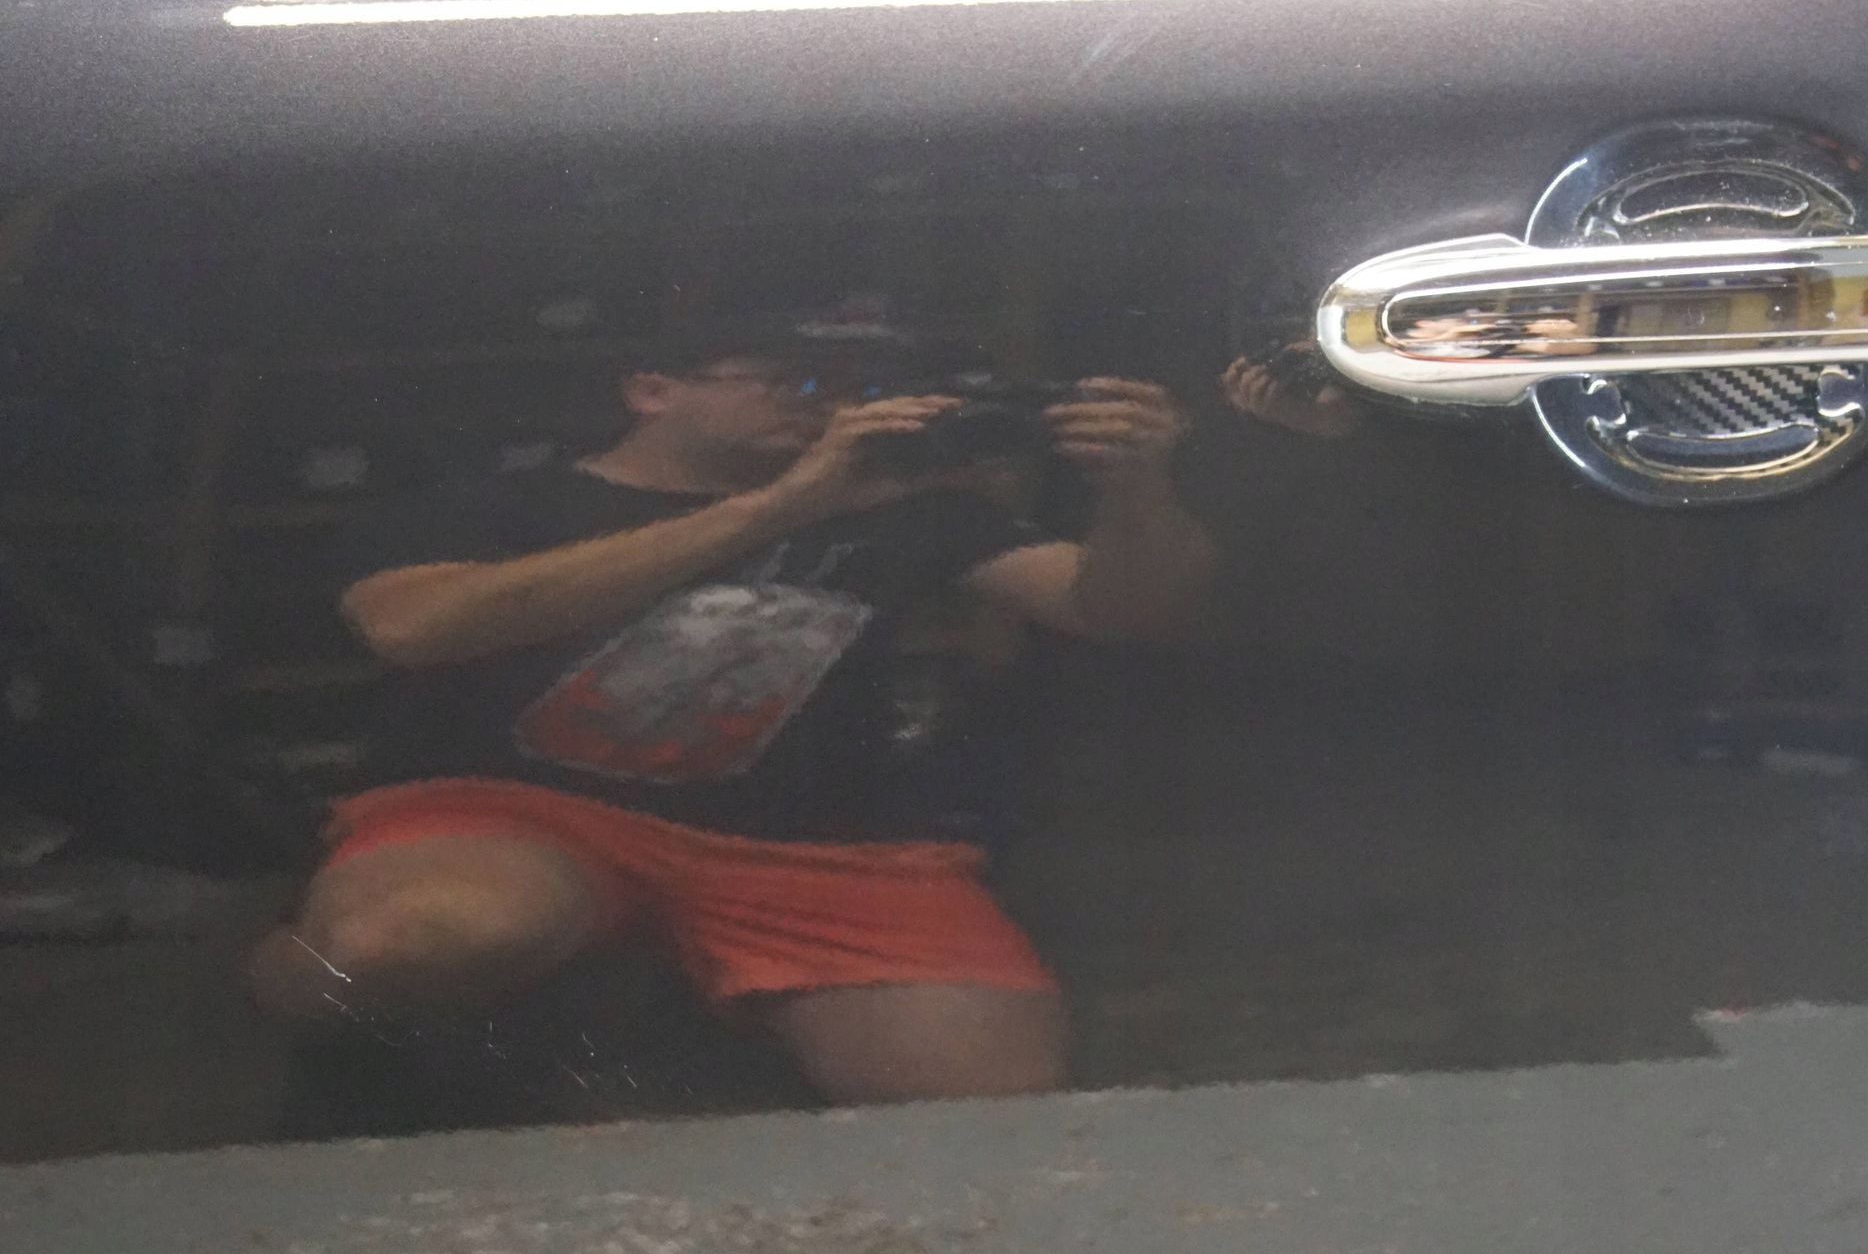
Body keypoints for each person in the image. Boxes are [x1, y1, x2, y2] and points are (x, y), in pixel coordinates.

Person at [248, 321, 1211, 1103]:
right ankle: (290, 980)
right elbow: (412, 627)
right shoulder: (495, 506)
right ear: (652, 390)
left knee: (985, 1087)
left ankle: (672, 998)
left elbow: (1126, 612)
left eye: (849, 390)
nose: (825, 407)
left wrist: (1136, 489)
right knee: (403, 943)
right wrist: (779, 509)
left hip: (810, 844)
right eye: (791, 382)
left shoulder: (902, 505)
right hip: (514, 808)